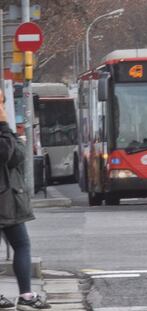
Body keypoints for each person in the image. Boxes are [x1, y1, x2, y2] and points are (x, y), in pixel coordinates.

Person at [0, 88, 51, 310]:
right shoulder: (2, 132)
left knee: (21, 245)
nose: (2, 108)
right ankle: (26, 296)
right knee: (21, 244)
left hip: (8, 198)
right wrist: (4, 126)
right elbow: (10, 155)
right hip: (5, 200)